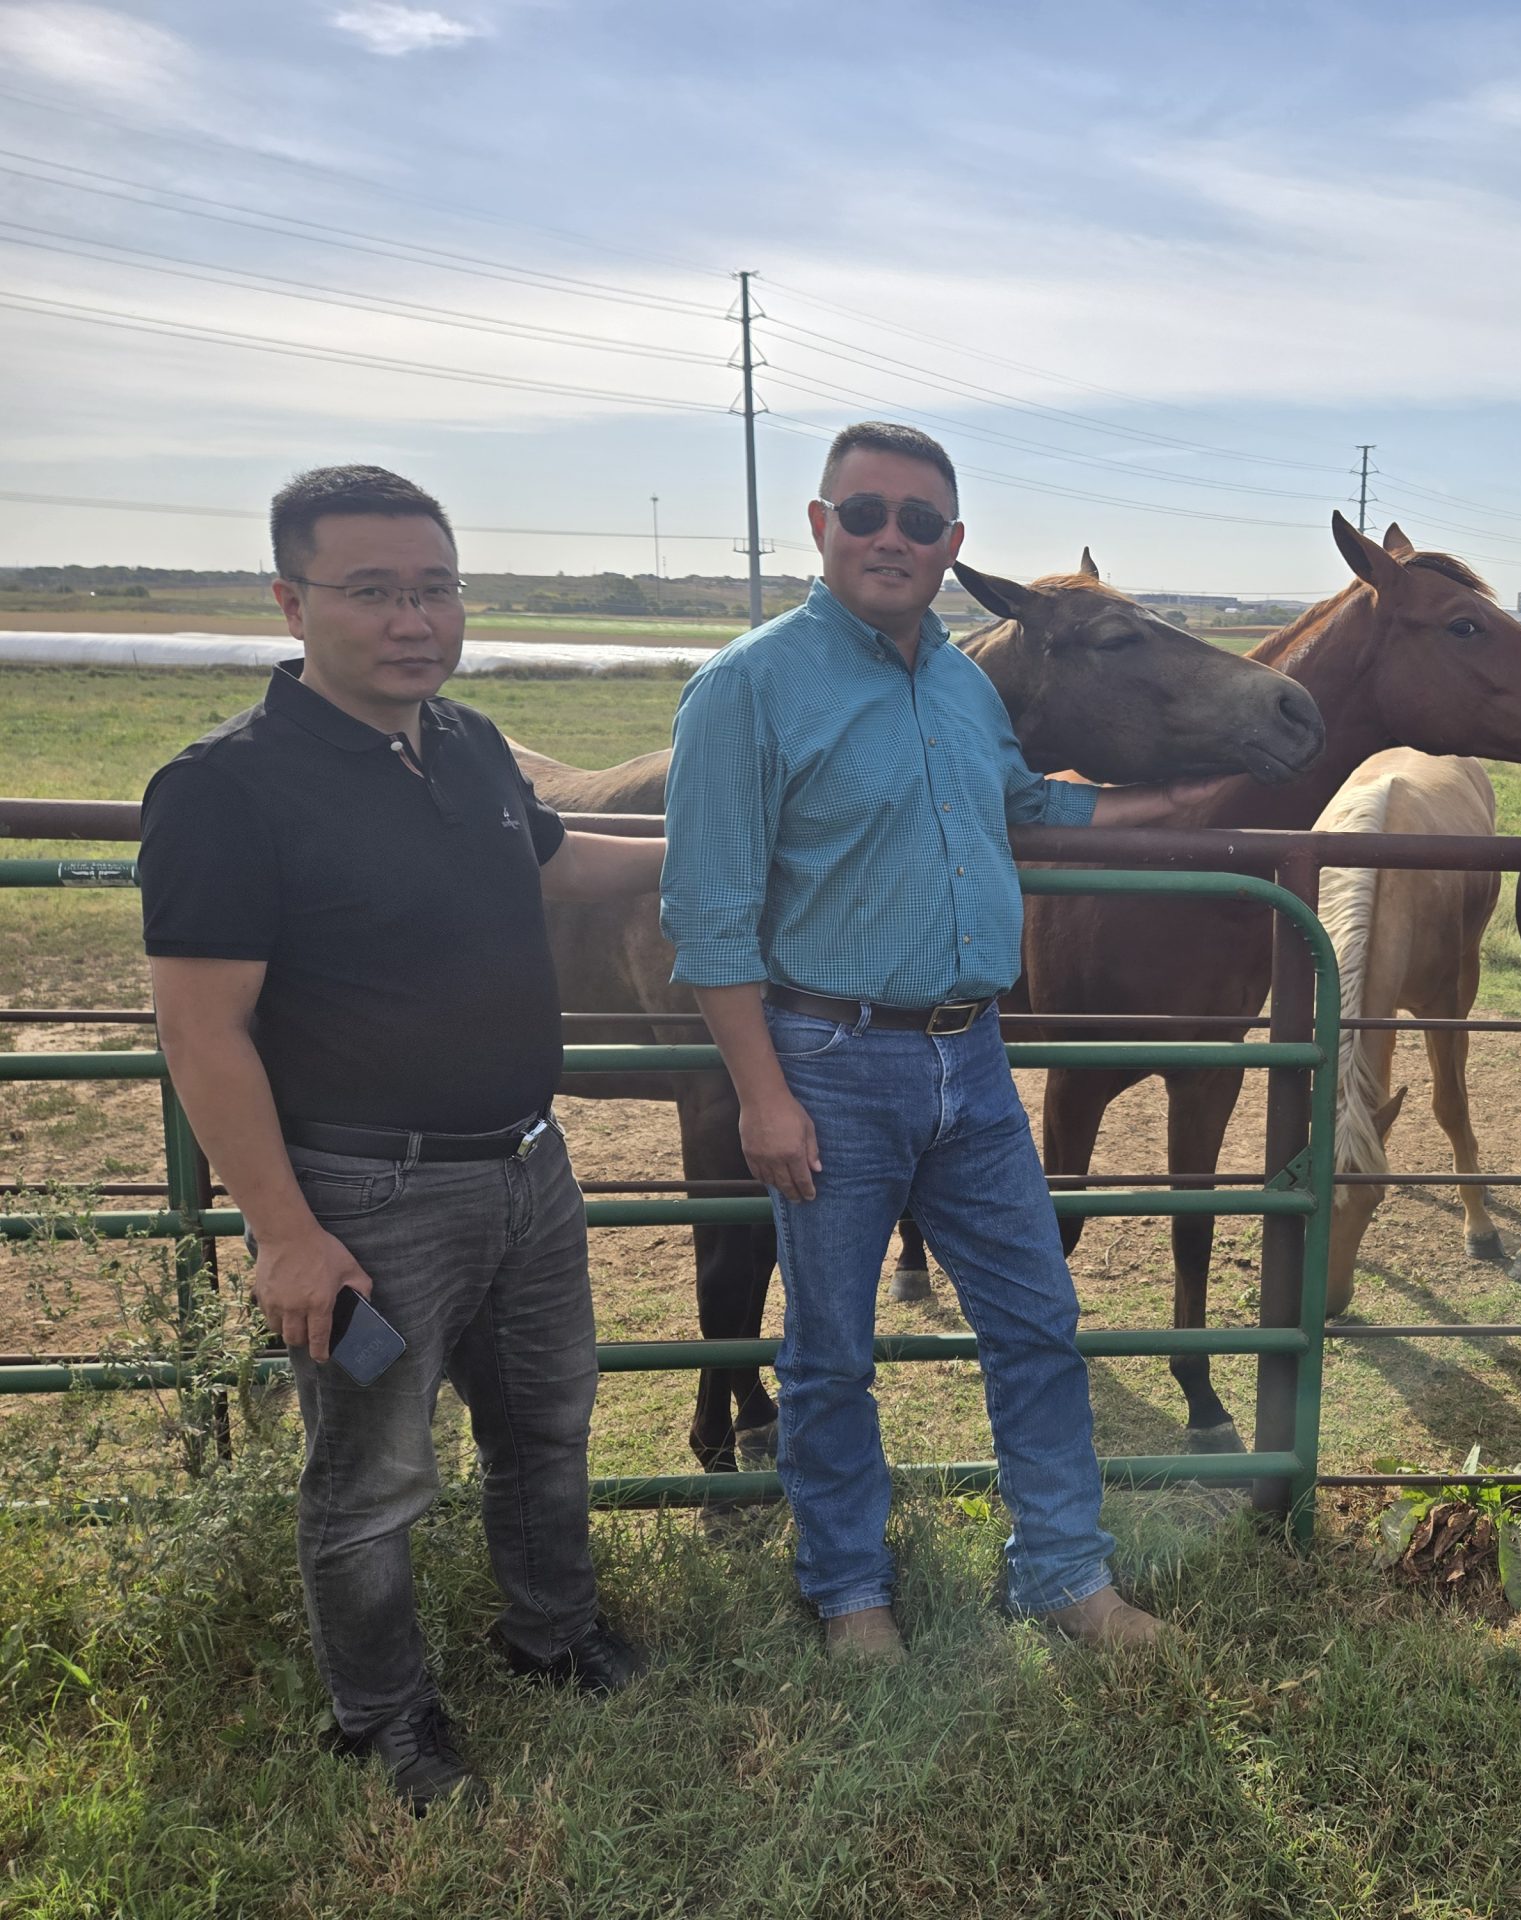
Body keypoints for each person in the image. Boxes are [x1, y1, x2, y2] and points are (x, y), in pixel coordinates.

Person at [139, 465, 669, 1811]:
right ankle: (382, 1715)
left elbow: (548, 861)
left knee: (548, 1424)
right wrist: (286, 1232)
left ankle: (550, 1634)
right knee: (374, 1476)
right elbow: (203, 1031)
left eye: (434, 588)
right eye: (371, 590)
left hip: (524, 1164)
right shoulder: (224, 791)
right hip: (363, 1185)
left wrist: (700, 849)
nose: (412, 619)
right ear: (291, 600)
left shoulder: (469, 744)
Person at [660, 421, 1215, 1663]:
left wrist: (1174, 803)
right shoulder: (747, 686)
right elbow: (704, 914)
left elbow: (1021, 805)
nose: (892, 539)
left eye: (920, 521)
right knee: (833, 1352)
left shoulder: (961, 681)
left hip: (972, 1056)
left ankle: (1064, 1576)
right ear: (820, 526)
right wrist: (762, 1093)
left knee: (1036, 1322)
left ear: (953, 546)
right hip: (828, 1057)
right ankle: (850, 1592)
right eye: (866, 514)